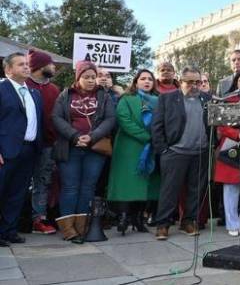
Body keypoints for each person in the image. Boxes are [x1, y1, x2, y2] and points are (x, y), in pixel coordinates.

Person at [52, 60, 116, 242]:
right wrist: (74, 136)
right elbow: (56, 117)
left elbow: (110, 119)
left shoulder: (103, 96)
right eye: (86, 77)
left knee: (88, 187)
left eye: (93, 77)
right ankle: (68, 229)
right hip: (70, 148)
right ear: (78, 77)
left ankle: (82, 227)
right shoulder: (65, 95)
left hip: (95, 149)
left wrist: (92, 136)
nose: (90, 80)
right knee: (70, 187)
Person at [152, 66, 211, 240]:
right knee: (169, 190)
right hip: (175, 151)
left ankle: (189, 221)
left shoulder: (206, 99)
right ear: (181, 81)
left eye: (197, 82)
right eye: (189, 82)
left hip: (200, 151)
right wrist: (163, 149)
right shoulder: (167, 98)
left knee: (196, 190)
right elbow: (157, 126)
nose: (194, 86)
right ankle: (163, 224)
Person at [107, 69, 161, 235]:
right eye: (143, 79)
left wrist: (156, 138)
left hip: (150, 148)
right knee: (127, 183)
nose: (146, 82)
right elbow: (124, 119)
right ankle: (123, 217)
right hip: (128, 147)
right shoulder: (127, 98)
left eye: (150, 79)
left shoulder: (159, 101)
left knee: (145, 184)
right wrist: (145, 136)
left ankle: (138, 218)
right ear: (135, 82)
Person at [0, 52, 43, 246]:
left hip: (28, 150)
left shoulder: (34, 93)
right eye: (20, 65)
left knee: (17, 194)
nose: (26, 67)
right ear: (8, 69)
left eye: (27, 64)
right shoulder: (2, 89)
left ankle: (9, 230)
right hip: (5, 152)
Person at [215, 69, 240, 236]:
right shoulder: (229, 101)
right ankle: (232, 223)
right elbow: (222, 125)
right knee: (231, 188)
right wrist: (239, 135)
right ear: (236, 83)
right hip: (231, 146)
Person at [26, 49, 60, 235]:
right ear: (39, 66)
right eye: (50, 63)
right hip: (23, 145)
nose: (53, 67)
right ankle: (11, 220)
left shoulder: (54, 90)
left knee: (43, 182)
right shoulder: (23, 85)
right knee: (17, 182)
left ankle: (38, 219)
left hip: (47, 145)